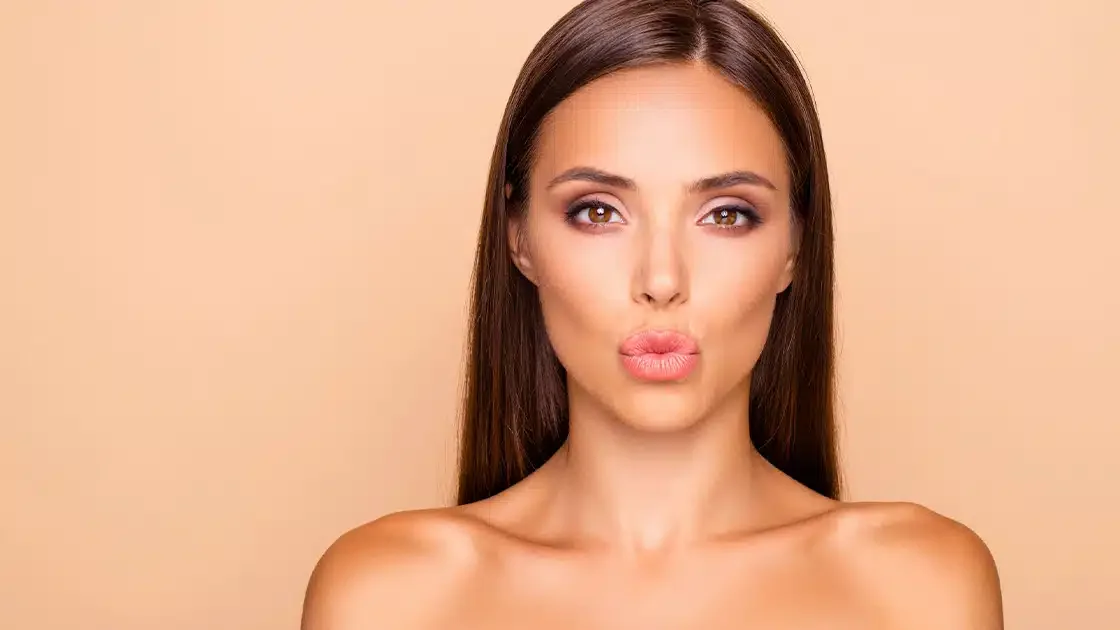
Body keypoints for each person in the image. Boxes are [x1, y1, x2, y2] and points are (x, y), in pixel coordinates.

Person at [301, 0, 1003, 627]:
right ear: (518, 239)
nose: (661, 280)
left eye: (727, 215)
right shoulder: (389, 596)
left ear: (795, 246)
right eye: (598, 212)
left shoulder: (918, 586)